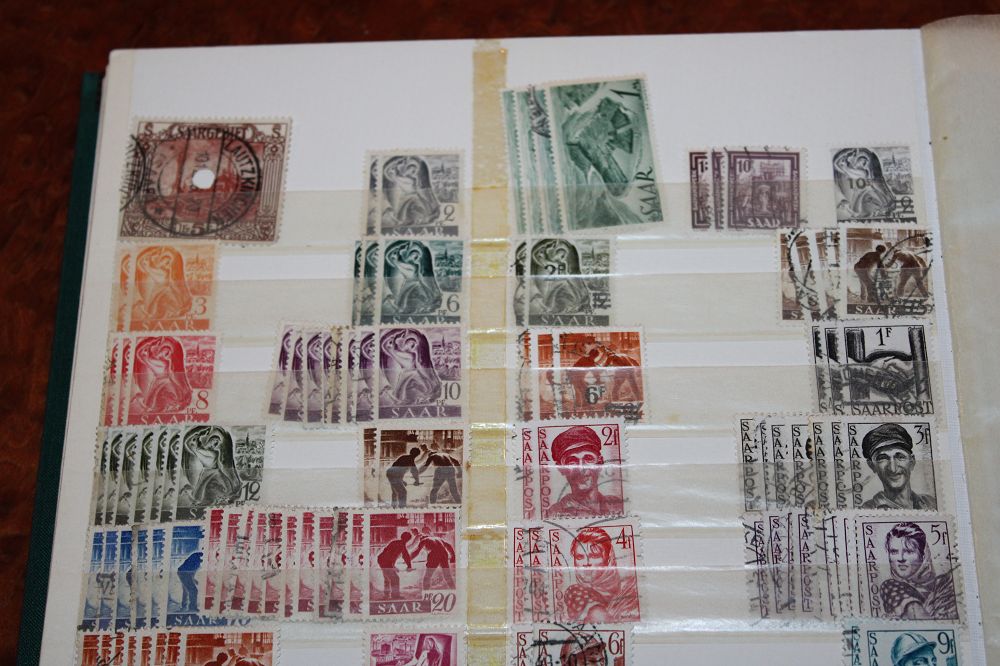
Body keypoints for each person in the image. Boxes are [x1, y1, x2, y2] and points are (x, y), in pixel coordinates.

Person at [880, 522, 957, 620]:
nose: (901, 558)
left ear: (923, 555)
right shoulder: (890, 587)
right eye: (894, 552)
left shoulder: (945, 586)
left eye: (908, 551)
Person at [564, 527, 639, 623]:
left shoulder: (630, 589)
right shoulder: (575, 592)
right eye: (579, 557)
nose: (586, 563)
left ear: (608, 559)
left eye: (594, 556)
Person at [546, 426, 623, 518]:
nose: (581, 468)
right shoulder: (554, 513)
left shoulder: (617, 505)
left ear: (600, 463)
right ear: (561, 469)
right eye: (572, 461)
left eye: (588, 458)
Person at [860, 424, 936, 510]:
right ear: (872, 466)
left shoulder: (931, 502)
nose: (893, 469)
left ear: (912, 462)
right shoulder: (866, 510)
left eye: (900, 457)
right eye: (883, 458)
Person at [376, 532, 413, 600]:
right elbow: (405, 555)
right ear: (407, 539)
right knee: (395, 578)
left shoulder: (397, 542)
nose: (407, 541)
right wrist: (409, 566)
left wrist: (393, 566)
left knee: (387, 578)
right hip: (384, 561)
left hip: (382, 560)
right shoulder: (400, 544)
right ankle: (395, 596)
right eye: (408, 539)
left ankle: (386, 595)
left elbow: (391, 555)